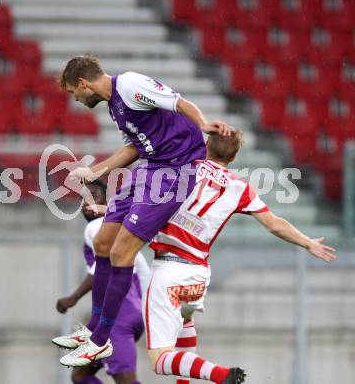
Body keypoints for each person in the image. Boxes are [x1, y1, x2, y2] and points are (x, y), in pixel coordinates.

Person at [84, 129, 337, 383]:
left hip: (169, 269)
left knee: (160, 360)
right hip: (198, 274)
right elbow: (274, 225)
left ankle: (222, 375)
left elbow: (142, 207)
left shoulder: (181, 168)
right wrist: (307, 243)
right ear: (234, 157)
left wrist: (107, 210)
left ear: (205, 145)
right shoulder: (241, 188)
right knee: (185, 319)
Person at [58, 54, 232, 366]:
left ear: (83, 83)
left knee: (121, 253)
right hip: (151, 169)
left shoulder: (129, 85)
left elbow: (177, 102)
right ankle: (96, 329)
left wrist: (204, 125)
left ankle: (100, 342)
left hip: (176, 172)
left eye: (73, 92)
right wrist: (94, 171)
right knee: (102, 242)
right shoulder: (114, 105)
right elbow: (134, 148)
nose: (76, 99)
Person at [53, 181, 150, 384]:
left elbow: (100, 268)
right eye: (82, 199)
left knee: (125, 378)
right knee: (80, 374)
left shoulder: (97, 227)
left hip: (116, 319)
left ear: (106, 201)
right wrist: (145, 310)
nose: (87, 203)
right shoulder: (120, 231)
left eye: (93, 196)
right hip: (129, 314)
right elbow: (142, 267)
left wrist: (73, 298)